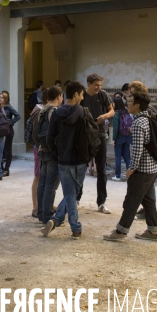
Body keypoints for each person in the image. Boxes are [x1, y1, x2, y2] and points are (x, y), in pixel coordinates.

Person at [103, 92, 157, 242]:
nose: (127, 103)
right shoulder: (148, 117)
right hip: (153, 168)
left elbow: (137, 149)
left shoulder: (138, 123)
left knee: (131, 201)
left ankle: (121, 231)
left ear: (137, 105)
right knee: (147, 200)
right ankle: (153, 230)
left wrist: (131, 168)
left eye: (130, 101)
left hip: (142, 169)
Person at [41, 81, 92, 239]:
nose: (83, 97)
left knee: (70, 193)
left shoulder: (57, 113)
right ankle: (75, 228)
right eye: (82, 94)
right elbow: (92, 136)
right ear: (76, 95)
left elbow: (50, 138)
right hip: (81, 160)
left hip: (63, 159)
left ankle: (56, 220)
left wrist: (57, 153)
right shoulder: (84, 112)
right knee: (72, 194)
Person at [81, 73, 114, 213]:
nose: (98, 88)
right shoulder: (81, 95)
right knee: (81, 168)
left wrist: (105, 116)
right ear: (88, 83)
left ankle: (101, 202)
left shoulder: (103, 95)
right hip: (85, 135)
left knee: (101, 169)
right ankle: (76, 198)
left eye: (100, 85)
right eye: (96, 85)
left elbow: (112, 110)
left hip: (100, 134)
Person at [129, 80, 157, 221]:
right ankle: (146, 209)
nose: (130, 94)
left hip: (149, 155)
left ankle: (147, 210)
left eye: (132, 92)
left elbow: (151, 131)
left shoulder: (148, 110)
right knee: (148, 186)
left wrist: (132, 167)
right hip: (149, 154)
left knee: (147, 185)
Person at [33, 85, 62, 225]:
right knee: (51, 185)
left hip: (42, 150)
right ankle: (47, 215)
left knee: (43, 183)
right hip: (52, 152)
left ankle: (41, 213)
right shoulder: (54, 111)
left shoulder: (42, 110)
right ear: (59, 96)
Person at [111, 96, 132, 181]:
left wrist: (113, 139)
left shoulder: (116, 114)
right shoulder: (126, 112)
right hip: (127, 136)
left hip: (119, 137)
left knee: (118, 157)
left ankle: (117, 175)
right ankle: (130, 174)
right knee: (127, 156)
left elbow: (115, 128)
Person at [0, 91, 21, 177]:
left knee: (8, 150)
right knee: (0, 150)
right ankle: (1, 168)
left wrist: (10, 122)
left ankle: (6, 169)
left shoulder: (9, 107)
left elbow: (18, 116)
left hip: (8, 130)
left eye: (1, 97)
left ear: (5, 99)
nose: (0, 99)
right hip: (0, 130)